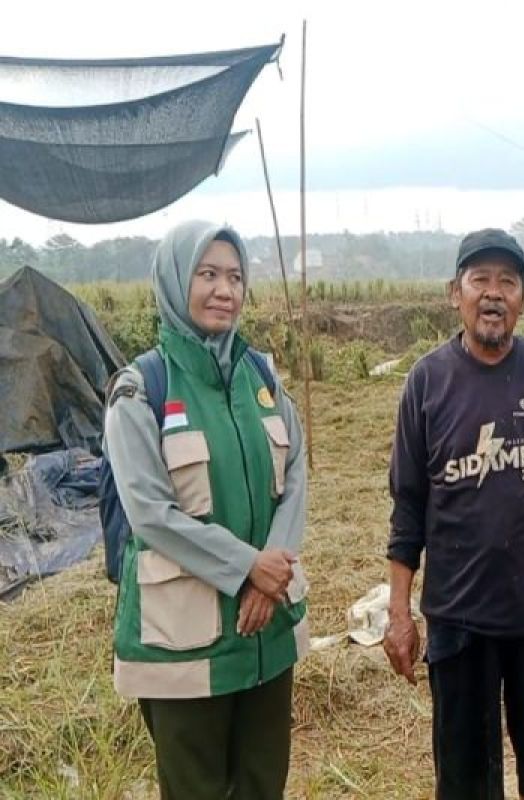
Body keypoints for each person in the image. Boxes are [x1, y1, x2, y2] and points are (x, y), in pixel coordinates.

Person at [384, 228, 524, 800]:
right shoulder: (426, 382)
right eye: (479, 279)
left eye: (508, 281)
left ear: (523, 298)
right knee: (465, 783)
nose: (493, 293)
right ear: (453, 292)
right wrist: (399, 614)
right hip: (459, 617)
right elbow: (407, 507)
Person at [104, 220, 309, 799]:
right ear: (175, 281)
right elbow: (150, 512)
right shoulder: (141, 390)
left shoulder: (261, 377)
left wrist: (272, 576)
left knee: (262, 784)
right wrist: (248, 567)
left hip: (267, 633)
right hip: (184, 646)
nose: (225, 290)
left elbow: (295, 475)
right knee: (197, 789)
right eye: (208, 274)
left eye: (236, 277)